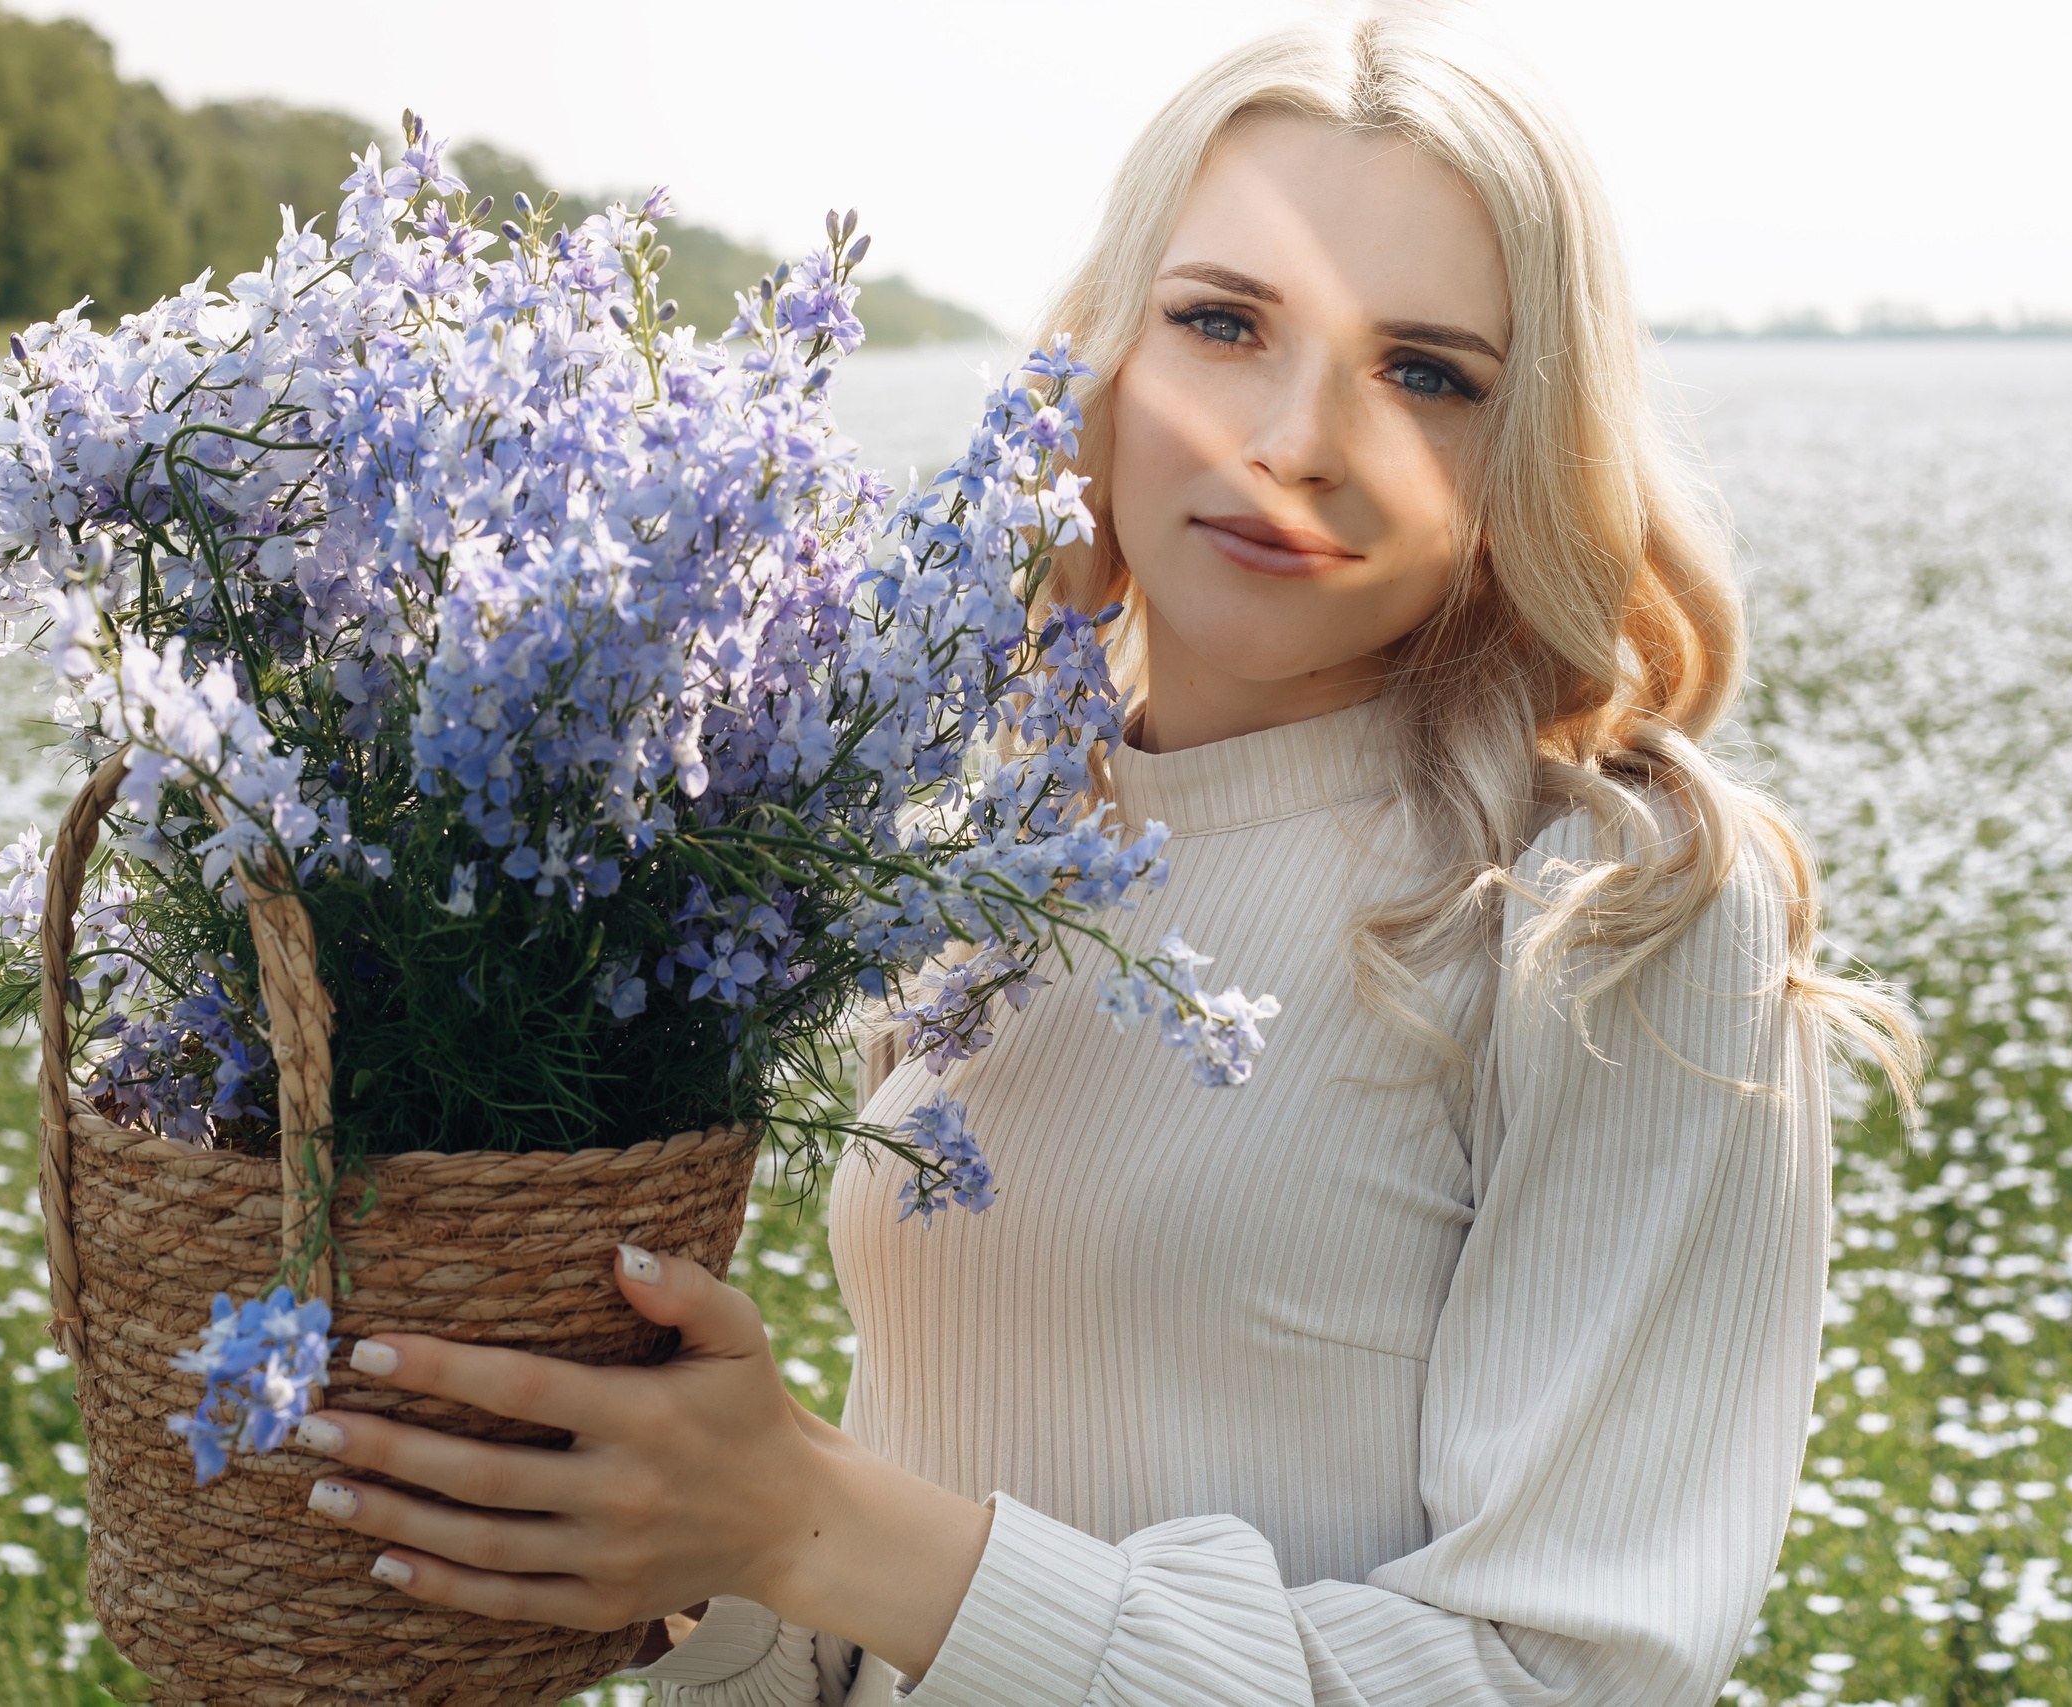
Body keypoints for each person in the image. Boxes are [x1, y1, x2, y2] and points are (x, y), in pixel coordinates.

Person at [287, 8, 1921, 1702]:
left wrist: (810, 1523)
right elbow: (925, 1568)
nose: (1293, 437)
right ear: (1103, 358)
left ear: (1524, 455)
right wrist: (700, 1561)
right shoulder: (984, 848)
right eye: (1223, 322)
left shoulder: (1621, 914)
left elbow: (1565, 1674)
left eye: (1427, 372)